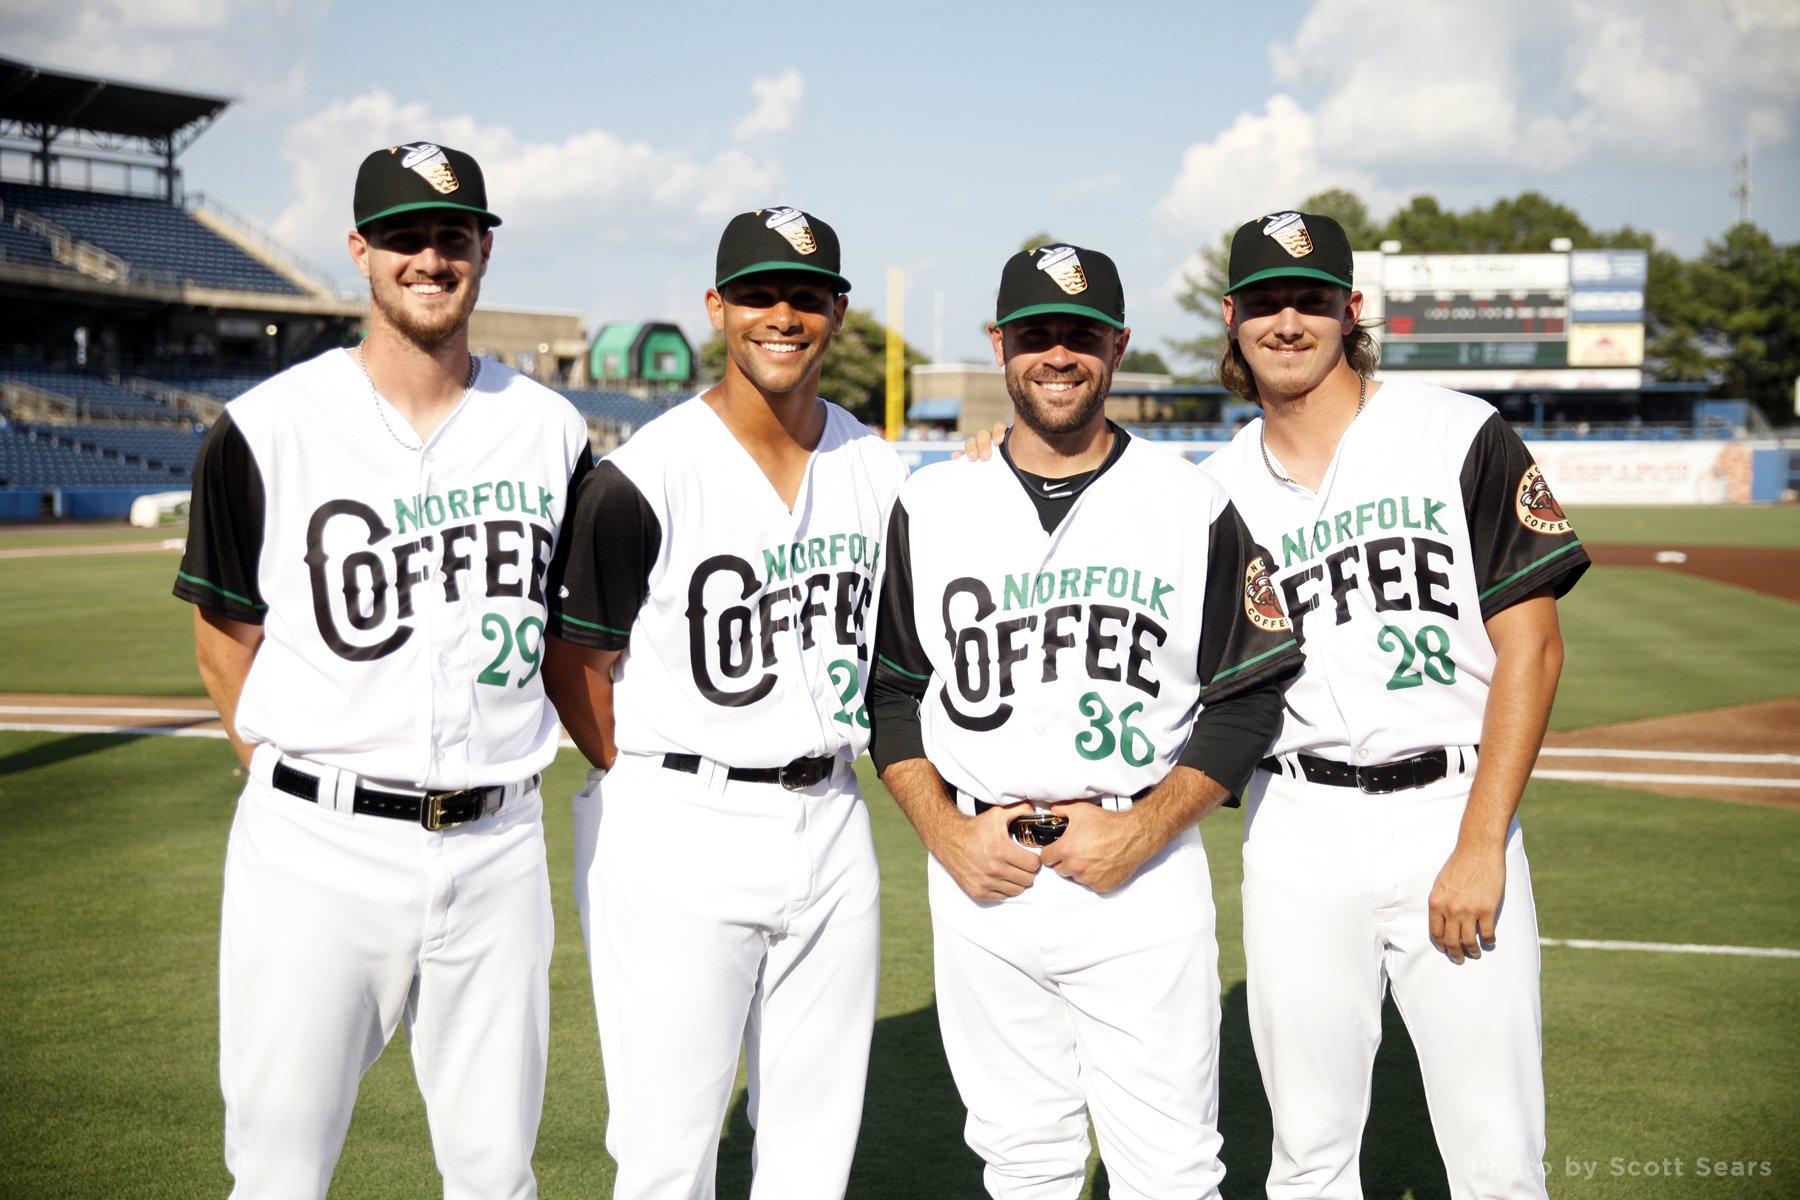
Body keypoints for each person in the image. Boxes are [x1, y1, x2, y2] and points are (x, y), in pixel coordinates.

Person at [173, 142, 592, 1198]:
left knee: (496, 1172)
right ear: (360, 250)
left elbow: (575, 638)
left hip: (498, 847)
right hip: (318, 851)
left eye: (453, 236)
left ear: (484, 249)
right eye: (405, 236)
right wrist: (304, 783)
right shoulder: (265, 428)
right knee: (279, 1169)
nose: (430, 258)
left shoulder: (550, 429)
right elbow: (225, 642)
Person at [870, 245, 1301, 1199]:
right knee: (1022, 1163)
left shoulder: (1193, 502)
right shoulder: (931, 502)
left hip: (1139, 872)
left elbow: (1250, 694)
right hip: (981, 873)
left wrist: (1144, 829)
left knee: (1171, 1170)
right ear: (1000, 345)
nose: (1058, 355)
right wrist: (945, 835)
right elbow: (893, 693)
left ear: (1118, 345)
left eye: (1081, 334)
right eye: (1037, 335)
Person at [1199, 211, 1588, 1199]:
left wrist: (1481, 841)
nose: (1289, 322)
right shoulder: (1212, 491)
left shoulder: (1457, 431)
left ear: (1351, 310)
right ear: (1234, 317)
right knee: (1309, 1152)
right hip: (1294, 826)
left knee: (1498, 1153)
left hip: (1449, 811)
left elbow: (1534, 648)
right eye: (1267, 302)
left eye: (1312, 299)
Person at [543, 207, 906, 1199]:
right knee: (667, 1149)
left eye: (805, 297)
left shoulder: (875, 469)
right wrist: (648, 777)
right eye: (757, 295)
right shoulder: (644, 473)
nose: (782, 316)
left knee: (813, 1147)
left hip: (832, 814)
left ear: (837, 311)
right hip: (679, 818)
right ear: (716, 307)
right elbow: (574, 660)